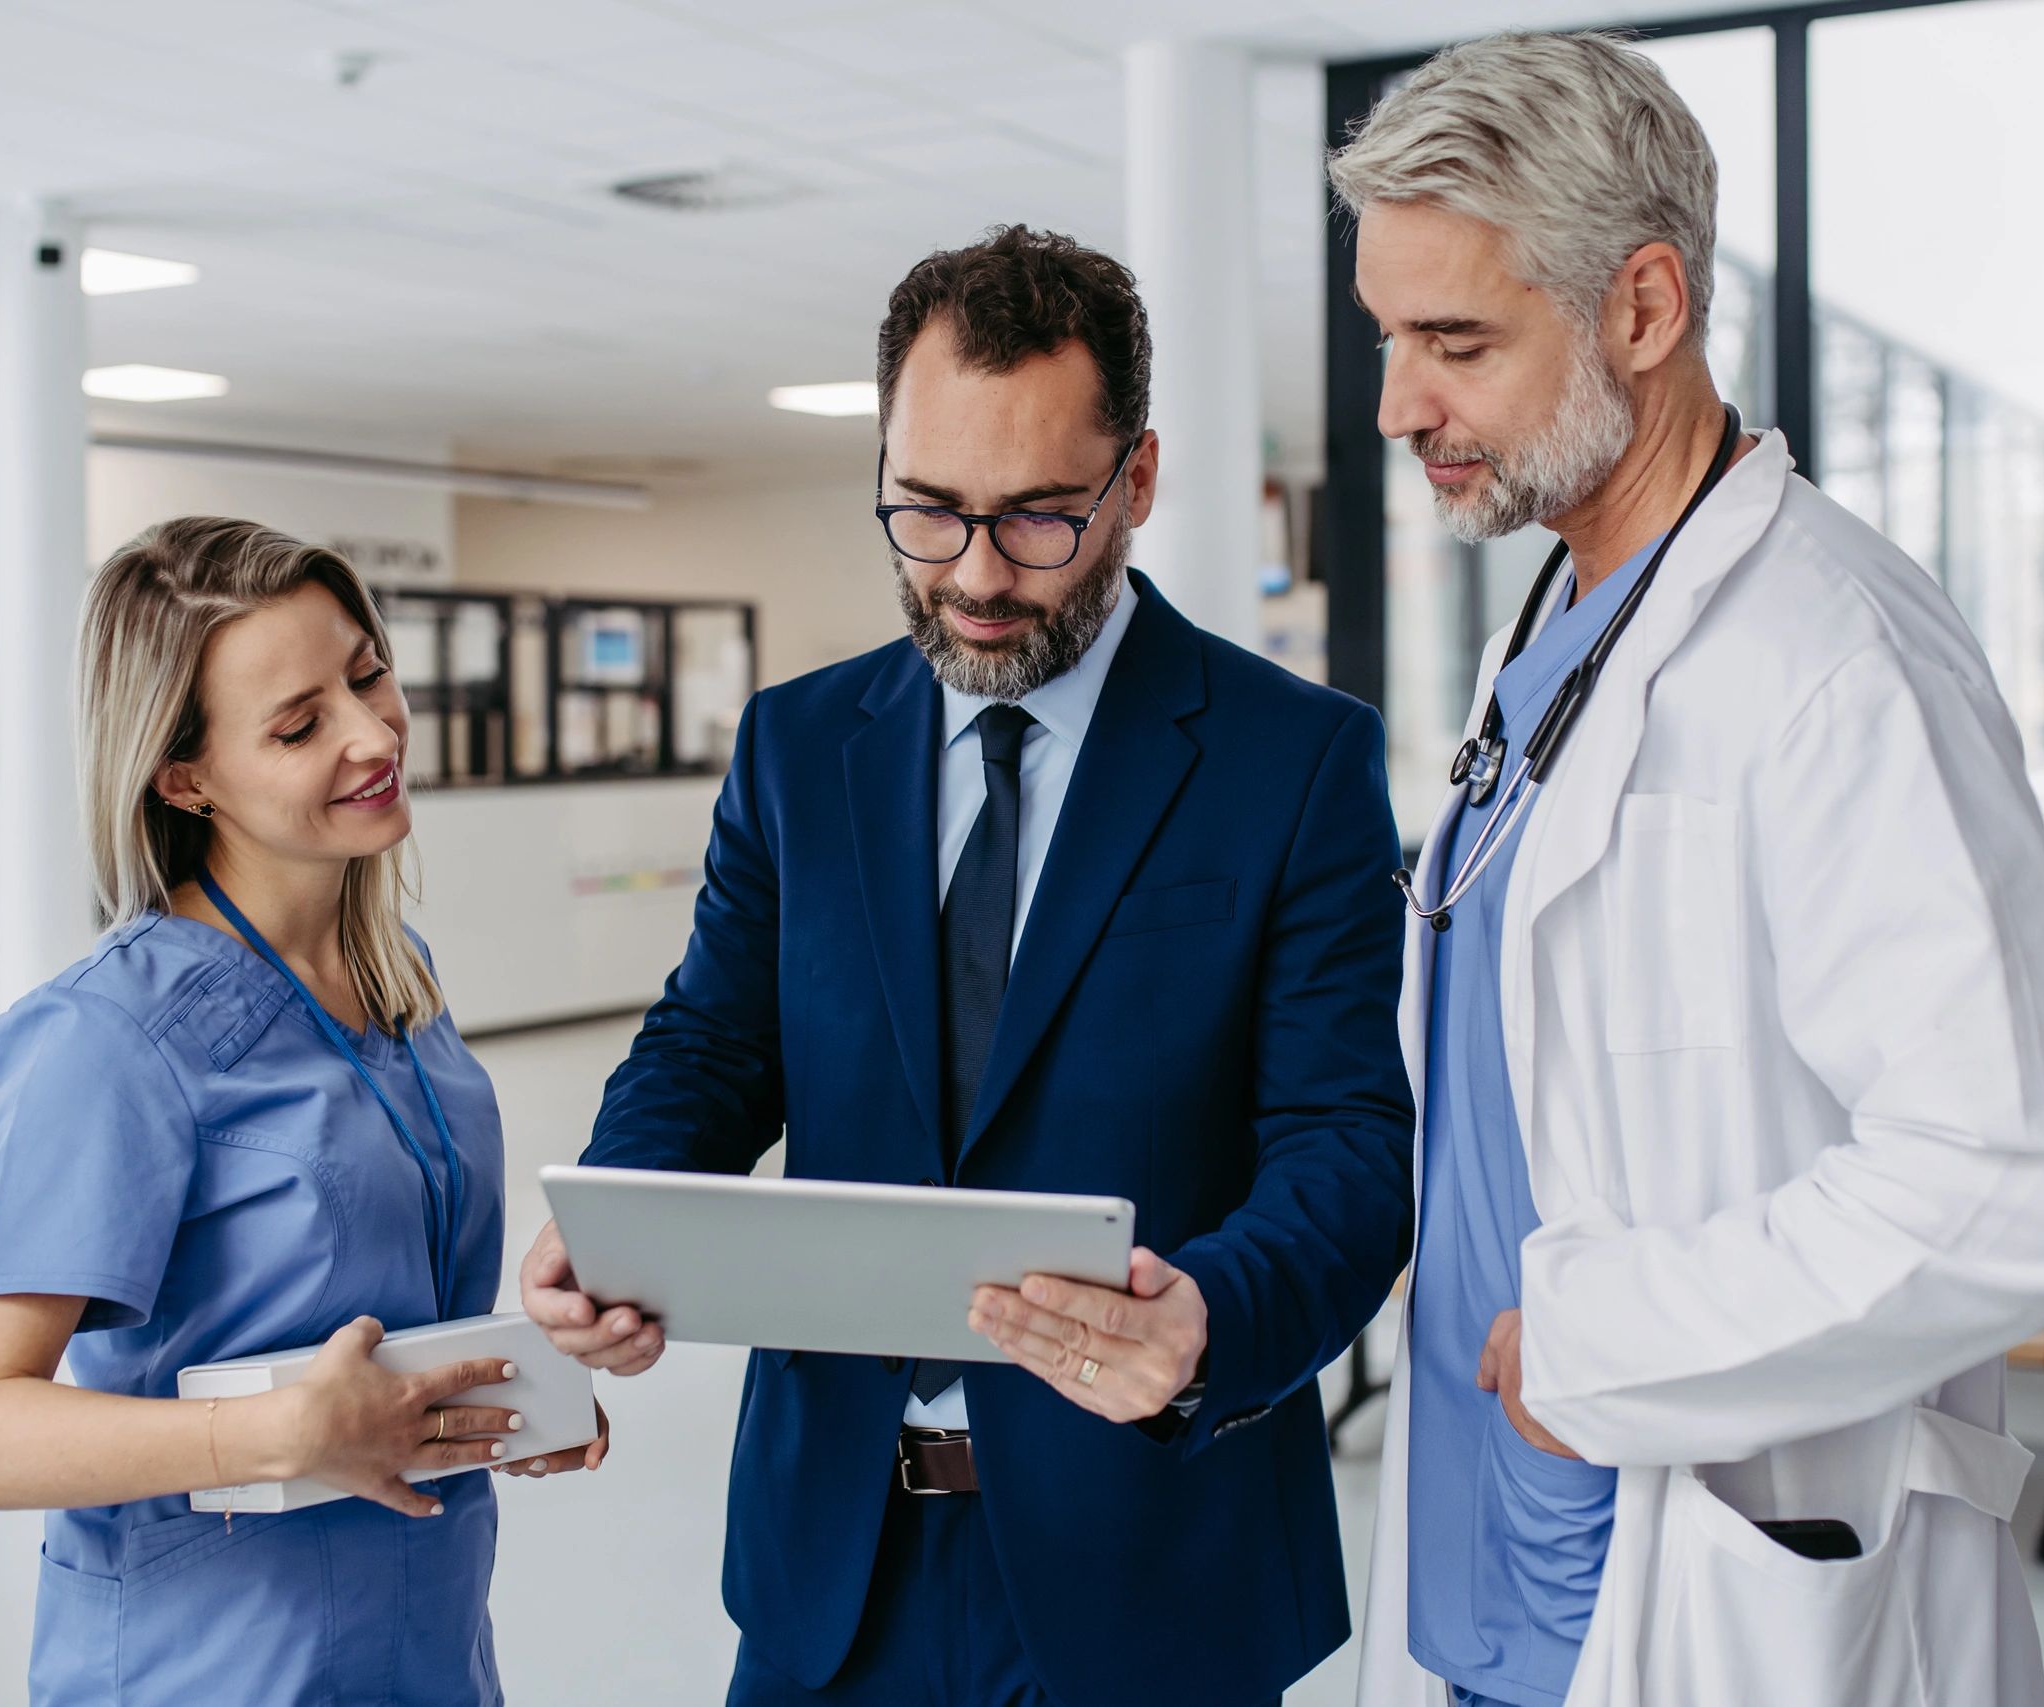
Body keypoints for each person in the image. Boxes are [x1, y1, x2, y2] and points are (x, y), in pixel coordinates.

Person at [1329, 32, 2044, 1707]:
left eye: (1456, 340)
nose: (1398, 403)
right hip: (1491, 1566)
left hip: (1708, 1591)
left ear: (1642, 309)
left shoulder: (1831, 649)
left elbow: (2035, 1165)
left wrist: (1609, 1338)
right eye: (1389, 339)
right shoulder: (1556, 627)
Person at [519, 226, 1416, 1707]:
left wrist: (1206, 1320)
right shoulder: (802, 746)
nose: (978, 576)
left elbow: (1351, 1142)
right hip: (833, 1573)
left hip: (1153, 1570)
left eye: (1039, 517)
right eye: (926, 513)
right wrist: (623, 1213)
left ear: (1137, 478)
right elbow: (713, 1040)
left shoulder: (1294, 759)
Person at [0, 518, 605, 1706]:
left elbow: (360, 1304)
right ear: (185, 776)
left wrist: (501, 1394)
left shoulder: (398, 977)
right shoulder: (107, 1037)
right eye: (299, 724)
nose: (372, 732)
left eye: (367, 674)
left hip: (425, 1638)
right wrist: (281, 1435)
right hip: (212, 1662)